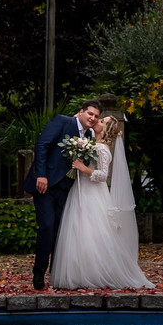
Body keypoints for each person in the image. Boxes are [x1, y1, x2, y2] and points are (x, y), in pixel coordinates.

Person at [50, 115, 154, 290]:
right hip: (80, 190)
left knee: (93, 231)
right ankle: (79, 273)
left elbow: (103, 175)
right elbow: (82, 125)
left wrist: (83, 168)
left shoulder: (103, 149)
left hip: (94, 194)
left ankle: (96, 273)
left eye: (101, 121)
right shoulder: (91, 140)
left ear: (105, 129)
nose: (96, 121)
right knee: (78, 230)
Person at [23, 99, 101, 290]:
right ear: (81, 112)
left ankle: (57, 275)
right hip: (46, 185)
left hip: (68, 189)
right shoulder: (62, 121)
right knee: (47, 227)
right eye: (90, 113)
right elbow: (42, 145)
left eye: (96, 116)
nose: (92, 118)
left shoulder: (90, 135)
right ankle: (39, 274)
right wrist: (40, 174)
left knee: (61, 232)